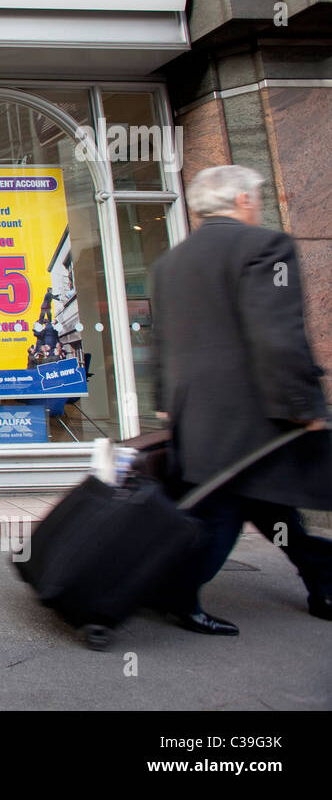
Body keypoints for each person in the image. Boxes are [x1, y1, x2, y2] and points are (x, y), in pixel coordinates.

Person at [151, 164, 332, 634]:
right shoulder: (266, 247)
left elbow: (161, 340)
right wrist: (303, 405)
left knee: (269, 506)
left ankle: (324, 582)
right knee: (224, 511)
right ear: (244, 200)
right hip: (254, 415)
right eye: (258, 197)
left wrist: (165, 401)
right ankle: (175, 593)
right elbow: (278, 335)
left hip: (200, 417)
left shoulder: (170, 262)